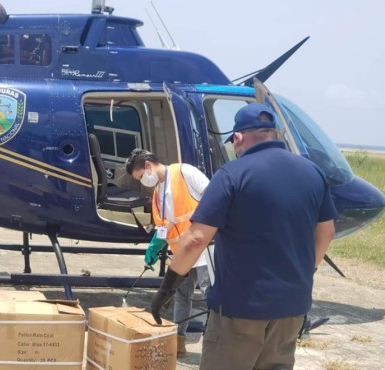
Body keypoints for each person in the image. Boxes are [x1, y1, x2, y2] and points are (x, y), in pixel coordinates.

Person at [149, 102, 338, 370]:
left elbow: (195, 239)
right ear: (273, 134)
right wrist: (305, 272)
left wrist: (166, 290)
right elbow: (326, 232)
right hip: (291, 308)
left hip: (239, 310)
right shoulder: (312, 172)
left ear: (238, 138)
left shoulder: (232, 174)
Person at [125, 148, 212, 355]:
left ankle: (213, 343)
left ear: (148, 166)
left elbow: (213, 198)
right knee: (182, 295)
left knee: (211, 296)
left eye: (140, 177)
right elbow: (165, 226)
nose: (142, 182)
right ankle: (179, 340)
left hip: (204, 248)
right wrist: (155, 247)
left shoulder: (184, 172)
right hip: (182, 254)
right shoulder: (157, 193)